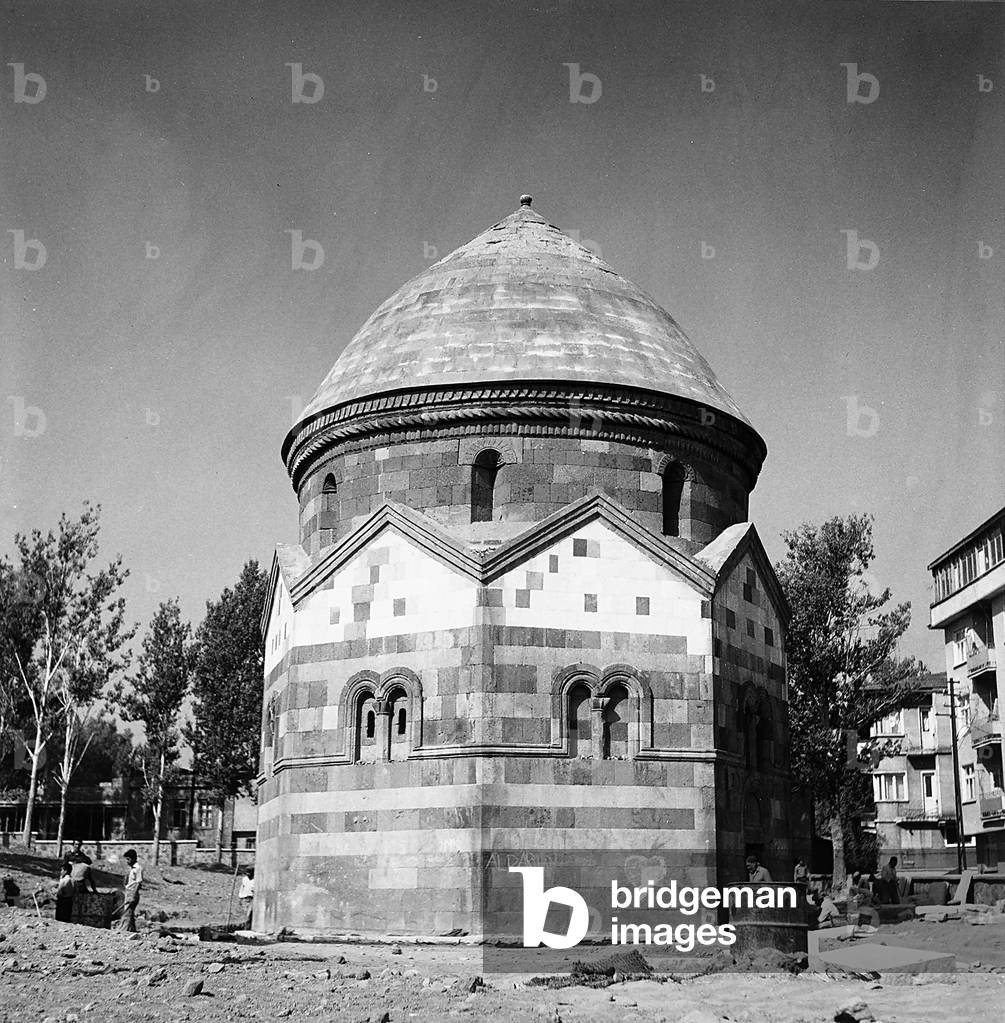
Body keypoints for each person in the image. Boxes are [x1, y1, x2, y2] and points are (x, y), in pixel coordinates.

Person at [118, 849, 143, 932]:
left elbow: (138, 883)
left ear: (134, 858)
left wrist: (133, 896)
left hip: (133, 893)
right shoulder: (131, 869)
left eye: (128, 859)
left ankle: (123, 930)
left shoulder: (138, 868)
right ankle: (132, 930)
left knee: (127, 912)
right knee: (130, 912)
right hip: (128, 892)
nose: (127, 861)